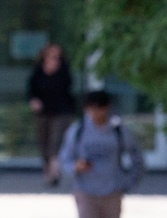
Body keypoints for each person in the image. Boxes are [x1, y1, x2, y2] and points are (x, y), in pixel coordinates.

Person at [58, 89, 144, 218]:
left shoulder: (118, 131)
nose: (95, 114)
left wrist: (128, 183)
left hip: (112, 191)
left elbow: (137, 158)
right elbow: (64, 158)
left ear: (107, 108)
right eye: (90, 110)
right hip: (85, 191)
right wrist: (75, 166)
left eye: (98, 109)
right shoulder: (78, 131)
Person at [27, 42, 76, 185]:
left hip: (61, 111)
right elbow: (31, 89)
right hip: (42, 112)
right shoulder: (38, 70)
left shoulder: (64, 70)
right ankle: (48, 171)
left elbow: (67, 86)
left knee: (56, 142)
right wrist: (34, 101)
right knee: (44, 143)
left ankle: (54, 174)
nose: (55, 57)